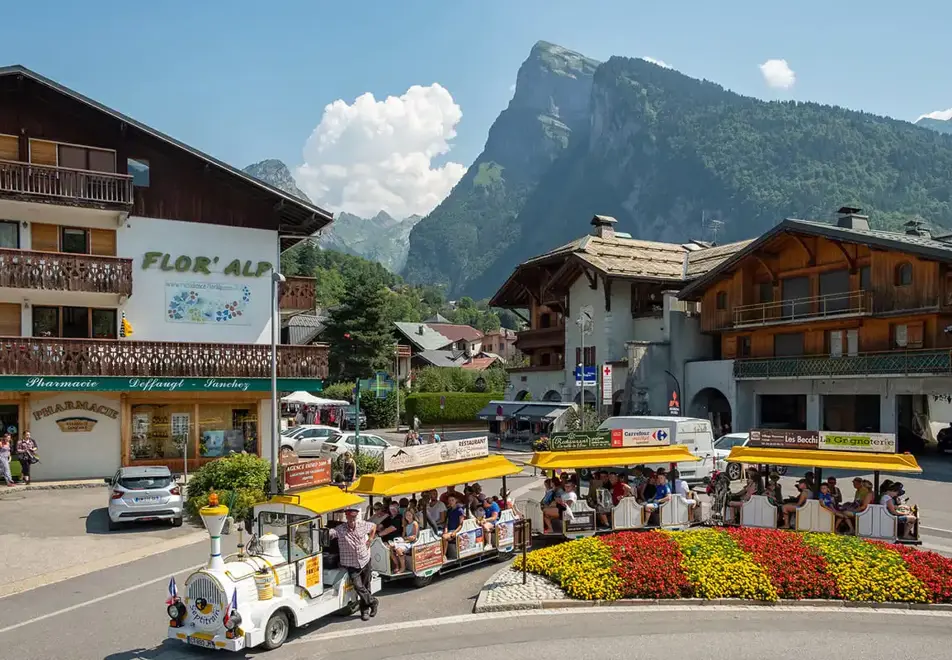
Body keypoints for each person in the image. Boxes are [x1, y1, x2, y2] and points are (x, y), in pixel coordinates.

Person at [328, 507, 378, 621]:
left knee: (366, 586)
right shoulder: (340, 529)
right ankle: (373, 602)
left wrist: (370, 539)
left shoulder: (362, 525)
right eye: (350, 518)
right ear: (347, 518)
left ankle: (365, 611)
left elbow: (373, 526)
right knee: (358, 586)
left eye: (354, 518)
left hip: (364, 560)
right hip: (351, 564)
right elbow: (331, 533)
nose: (352, 521)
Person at [390, 509, 419, 573]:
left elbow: (414, 537)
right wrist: (402, 539)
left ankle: (403, 567)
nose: (408, 517)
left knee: (399, 549)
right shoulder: (406, 524)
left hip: (412, 543)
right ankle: (397, 565)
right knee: (391, 547)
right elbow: (403, 535)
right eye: (406, 515)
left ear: (413, 515)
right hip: (406, 541)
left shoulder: (414, 523)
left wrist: (404, 539)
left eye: (409, 515)